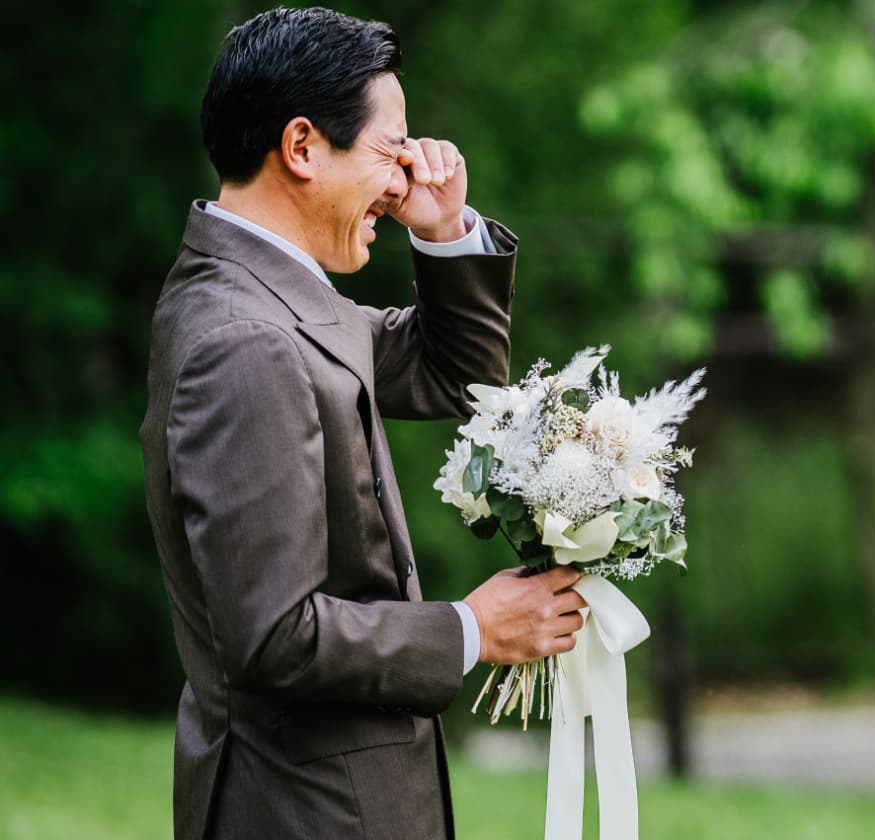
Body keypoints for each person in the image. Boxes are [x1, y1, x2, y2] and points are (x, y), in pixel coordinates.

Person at [140, 8, 586, 838]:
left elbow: (456, 376)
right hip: (307, 812)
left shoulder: (268, 295)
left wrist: (445, 230)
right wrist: (471, 628)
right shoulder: (246, 340)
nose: (405, 174)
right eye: (391, 149)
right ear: (302, 147)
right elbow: (275, 636)